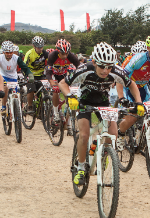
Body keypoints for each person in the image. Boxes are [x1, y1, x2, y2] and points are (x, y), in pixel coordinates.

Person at [59, 42, 141, 186]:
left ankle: (105, 153)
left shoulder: (116, 71)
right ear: (94, 62)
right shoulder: (84, 69)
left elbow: (131, 84)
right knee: (84, 135)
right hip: (84, 102)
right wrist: (70, 96)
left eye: (109, 66)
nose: (106, 70)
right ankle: (81, 166)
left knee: (113, 135)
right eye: (102, 66)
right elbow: (62, 83)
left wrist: (139, 103)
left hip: (103, 103)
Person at [0, 41, 34, 115]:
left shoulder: (17, 58)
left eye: (11, 52)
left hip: (13, 78)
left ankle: (17, 108)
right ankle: (4, 107)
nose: (9, 54)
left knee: (17, 93)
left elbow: (25, 68)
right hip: (3, 76)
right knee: (5, 88)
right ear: (4, 52)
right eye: (7, 52)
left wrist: (30, 75)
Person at [46, 39, 80, 125]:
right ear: (58, 51)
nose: (65, 56)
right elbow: (48, 72)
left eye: (66, 53)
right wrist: (53, 84)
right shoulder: (52, 55)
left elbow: (80, 68)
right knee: (56, 91)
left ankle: (68, 120)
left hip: (63, 75)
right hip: (53, 74)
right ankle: (56, 113)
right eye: (62, 54)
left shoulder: (71, 56)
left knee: (68, 94)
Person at [24, 36, 48, 113]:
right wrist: (27, 76)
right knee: (31, 89)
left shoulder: (45, 54)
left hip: (41, 75)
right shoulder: (29, 54)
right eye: (38, 47)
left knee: (44, 90)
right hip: (30, 74)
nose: (40, 49)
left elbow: (49, 65)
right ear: (34, 46)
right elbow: (24, 66)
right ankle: (30, 106)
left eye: (41, 47)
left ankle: (41, 109)